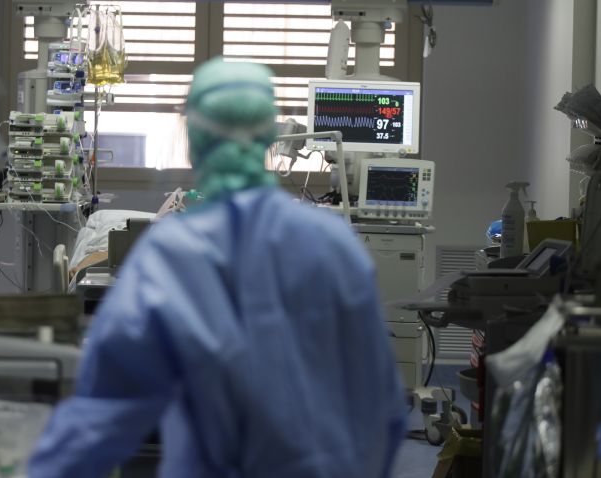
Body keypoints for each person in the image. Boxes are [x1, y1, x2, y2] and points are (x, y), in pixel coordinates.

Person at [29, 58, 407, 478]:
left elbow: (103, 415)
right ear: (269, 134)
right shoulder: (335, 246)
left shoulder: (170, 256)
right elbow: (381, 409)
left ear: (194, 140)